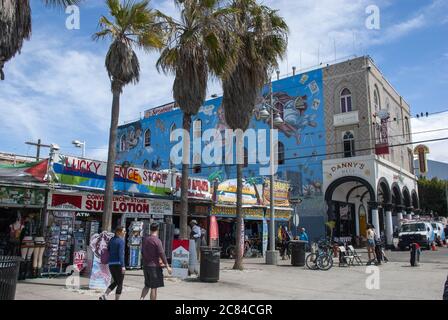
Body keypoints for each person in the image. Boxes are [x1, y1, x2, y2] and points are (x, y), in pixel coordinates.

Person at [140, 223, 172, 300]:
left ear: (150, 229)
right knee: (154, 288)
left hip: (146, 266)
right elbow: (162, 253)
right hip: (154, 267)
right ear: (157, 230)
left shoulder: (145, 239)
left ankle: (141, 299)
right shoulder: (157, 241)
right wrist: (167, 266)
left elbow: (142, 252)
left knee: (147, 285)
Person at [100, 226, 126, 300]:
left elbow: (108, 250)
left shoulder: (111, 240)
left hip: (111, 264)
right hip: (118, 264)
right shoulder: (121, 241)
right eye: (124, 231)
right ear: (119, 232)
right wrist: (123, 266)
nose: (125, 232)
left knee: (116, 282)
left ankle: (104, 295)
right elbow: (121, 254)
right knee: (120, 283)